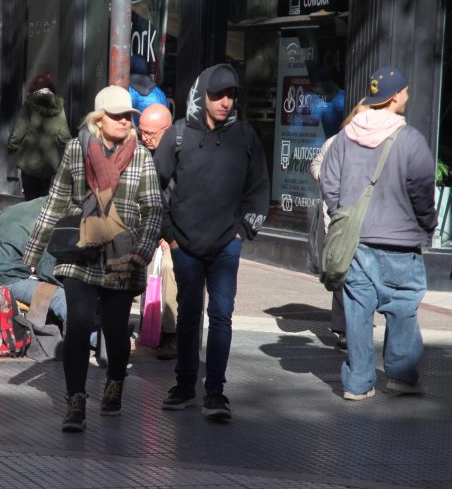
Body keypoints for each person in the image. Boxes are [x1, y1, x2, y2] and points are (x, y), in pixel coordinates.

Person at [23, 85, 162, 430]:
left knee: (115, 329)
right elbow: (55, 201)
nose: (124, 122)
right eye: (117, 116)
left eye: (128, 116)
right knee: (79, 324)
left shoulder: (141, 155)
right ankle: (76, 402)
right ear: (99, 119)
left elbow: (153, 209)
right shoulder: (76, 149)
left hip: (123, 257)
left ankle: (115, 383)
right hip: (80, 253)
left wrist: (143, 251)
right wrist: (34, 251)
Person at [154, 64, 270, 422]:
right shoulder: (177, 135)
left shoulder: (246, 136)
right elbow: (153, 188)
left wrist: (241, 232)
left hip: (225, 246)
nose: (225, 102)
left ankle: (216, 392)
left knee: (221, 315)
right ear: (202, 94)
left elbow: (259, 189)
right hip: (184, 244)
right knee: (189, 315)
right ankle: (185, 385)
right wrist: (170, 236)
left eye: (231, 95)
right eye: (218, 94)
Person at [321, 66, 436, 401]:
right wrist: (426, 224)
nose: (408, 95)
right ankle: (401, 376)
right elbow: (422, 191)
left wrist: (343, 216)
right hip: (401, 242)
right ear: (395, 96)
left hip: (356, 241)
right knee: (402, 308)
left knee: (358, 311)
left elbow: (329, 183)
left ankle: (357, 383)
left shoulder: (346, 137)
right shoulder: (410, 139)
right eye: (405, 91)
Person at [309, 99, 368, 350]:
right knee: (342, 270)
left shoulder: (378, 144)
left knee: (358, 274)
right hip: (338, 218)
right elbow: (316, 166)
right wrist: (330, 184)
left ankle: (353, 324)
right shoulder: (335, 142)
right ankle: (346, 327)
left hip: (366, 220)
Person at [0, 197, 67, 324]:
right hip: (4, 278)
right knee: (63, 298)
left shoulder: (29, 206)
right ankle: (82, 337)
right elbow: (47, 272)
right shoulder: (48, 223)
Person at [138, 103, 177, 360]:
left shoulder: (181, 157)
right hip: (149, 227)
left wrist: (168, 236)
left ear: (167, 130)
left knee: (169, 268)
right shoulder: (141, 154)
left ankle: (170, 334)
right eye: (141, 132)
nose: (144, 138)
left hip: (175, 232)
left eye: (150, 133)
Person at [8, 75, 71, 200]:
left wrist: (12, 147)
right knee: (43, 199)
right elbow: (64, 134)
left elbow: (19, 131)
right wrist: (71, 152)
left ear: (34, 88)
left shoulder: (29, 105)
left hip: (29, 162)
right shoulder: (58, 107)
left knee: (30, 199)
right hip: (49, 164)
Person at [129, 54, 167, 124]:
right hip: (154, 128)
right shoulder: (159, 92)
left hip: (132, 129)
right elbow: (165, 114)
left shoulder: (126, 90)